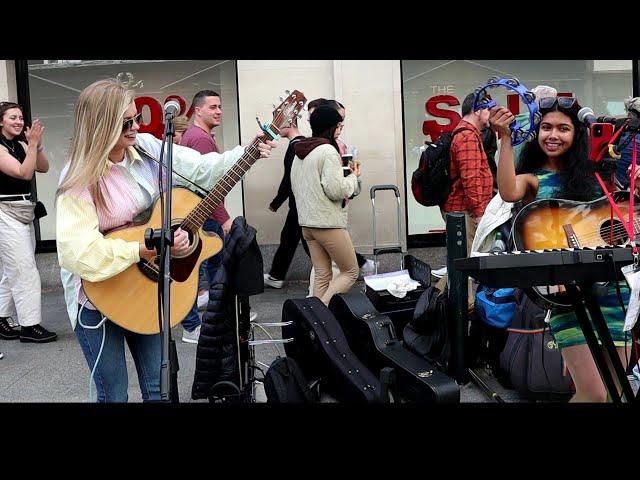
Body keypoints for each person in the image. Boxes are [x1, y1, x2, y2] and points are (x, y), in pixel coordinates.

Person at [55, 79, 275, 402]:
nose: (136, 128)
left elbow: (201, 170)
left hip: (147, 289)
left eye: (137, 118)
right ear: (101, 126)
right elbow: (79, 252)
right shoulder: (78, 178)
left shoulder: (146, 148)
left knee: (160, 389)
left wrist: (248, 151)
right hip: (96, 298)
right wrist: (138, 249)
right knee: (114, 393)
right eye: (126, 123)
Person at [491, 96, 630, 402]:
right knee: (593, 395)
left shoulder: (599, 177)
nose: (553, 135)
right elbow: (507, 189)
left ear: (577, 135)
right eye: (546, 127)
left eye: (563, 129)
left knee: (616, 392)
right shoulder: (533, 180)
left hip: (613, 293)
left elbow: (621, 221)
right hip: (568, 296)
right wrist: (503, 138)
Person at [291, 105, 361, 305]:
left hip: (307, 224)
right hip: (328, 223)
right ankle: (323, 317)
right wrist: (353, 178)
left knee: (322, 274)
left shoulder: (300, 152)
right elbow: (337, 190)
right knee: (350, 271)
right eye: (338, 125)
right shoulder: (328, 151)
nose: (340, 130)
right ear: (331, 127)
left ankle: (313, 320)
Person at [179, 90, 233, 342]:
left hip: (200, 213)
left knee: (204, 268)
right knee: (203, 269)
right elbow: (208, 187)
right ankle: (195, 325)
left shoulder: (197, 136)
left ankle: (213, 318)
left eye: (220, 106)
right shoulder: (200, 139)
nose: (219, 111)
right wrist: (224, 218)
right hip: (204, 214)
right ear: (197, 110)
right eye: (212, 107)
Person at [0, 101, 57, 343]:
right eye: (12, 117)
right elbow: (24, 172)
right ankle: (29, 325)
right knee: (25, 270)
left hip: (24, 209)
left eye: (21, 117)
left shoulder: (22, 144)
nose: (18, 121)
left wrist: (37, 145)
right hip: (5, 210)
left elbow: (43, 167)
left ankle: (1, 318)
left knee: (11, 269)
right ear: (0, 121)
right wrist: (31, 144)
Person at [263, 114, 309, 289]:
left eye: (278, 124)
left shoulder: (294, 147)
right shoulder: (302, 143)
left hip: (298, 204)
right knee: (290, 239)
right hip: (301, 203)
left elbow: (289, 179)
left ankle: (353, 264)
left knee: (302, 241)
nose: (275, 128)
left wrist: (276, 202)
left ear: (289, 123)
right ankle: (276, 275)